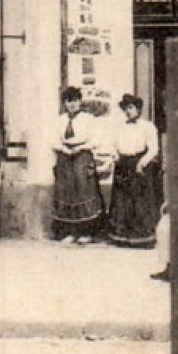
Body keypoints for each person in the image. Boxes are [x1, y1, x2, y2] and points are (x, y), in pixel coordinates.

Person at [106, 94, 162, 249]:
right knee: (122, 201)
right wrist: (115, 156)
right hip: (123, 164)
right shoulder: (120, 127)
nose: (128, 111)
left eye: (131, 108)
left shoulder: (147, 127)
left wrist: (142, 163)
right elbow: (112, 145)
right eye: (126, 108)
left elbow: (154, 149)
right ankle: (121, 237)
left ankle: (142, 238)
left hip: (139, 164)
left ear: (138, 109)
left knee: (139, 201)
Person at [52, 86, 105, 243]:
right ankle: (69, 232)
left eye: (75, 100)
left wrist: (81, 147)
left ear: (80, 101)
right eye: (69, 101)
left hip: (82, 157)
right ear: (64, 103)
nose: (72, 104)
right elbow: (53, 140)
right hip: (65, 158)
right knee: (67, 193)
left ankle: (86, 233)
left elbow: (96, 140)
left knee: (84, 191)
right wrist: (63, 149)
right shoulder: (60, 121)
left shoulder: (88, 119)